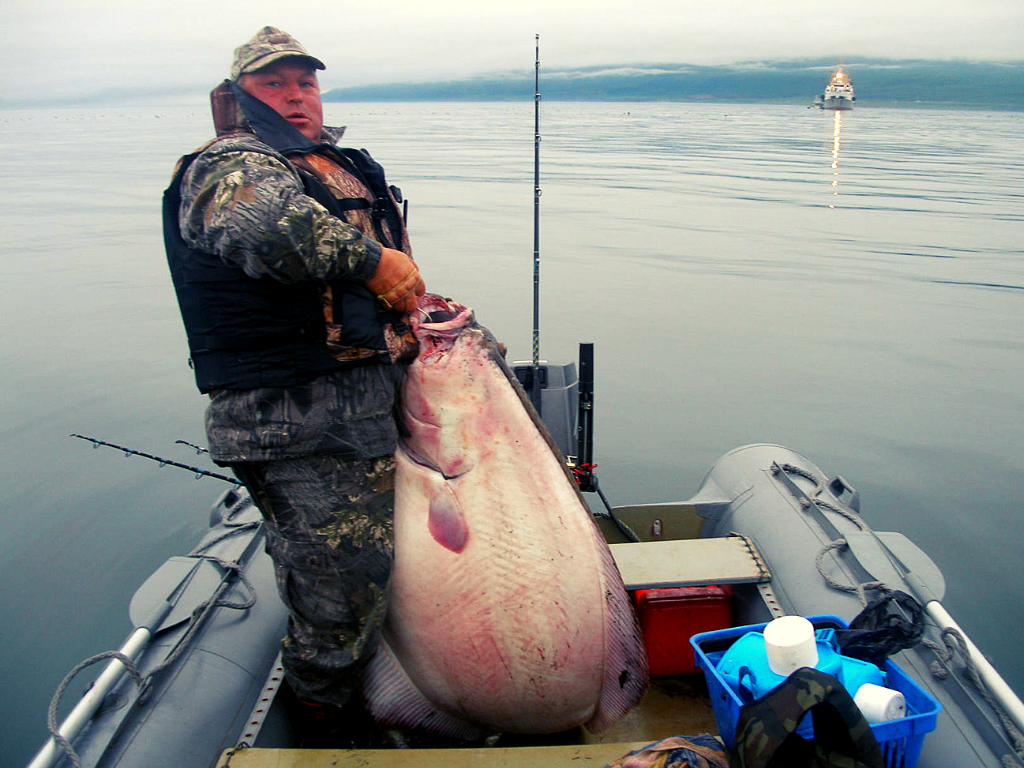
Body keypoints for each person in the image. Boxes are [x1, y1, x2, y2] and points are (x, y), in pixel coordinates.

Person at [162, 26, 425, 728]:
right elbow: (267, 228)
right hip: (295, 417)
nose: (296, 94)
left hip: (362, 408)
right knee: (339, 588)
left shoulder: (324, 163)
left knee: (380, 570)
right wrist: (376, 263)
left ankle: (387, 689)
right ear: (239, 95)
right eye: (275, 82)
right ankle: (324, 718)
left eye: (305, 81)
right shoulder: (231, 165)